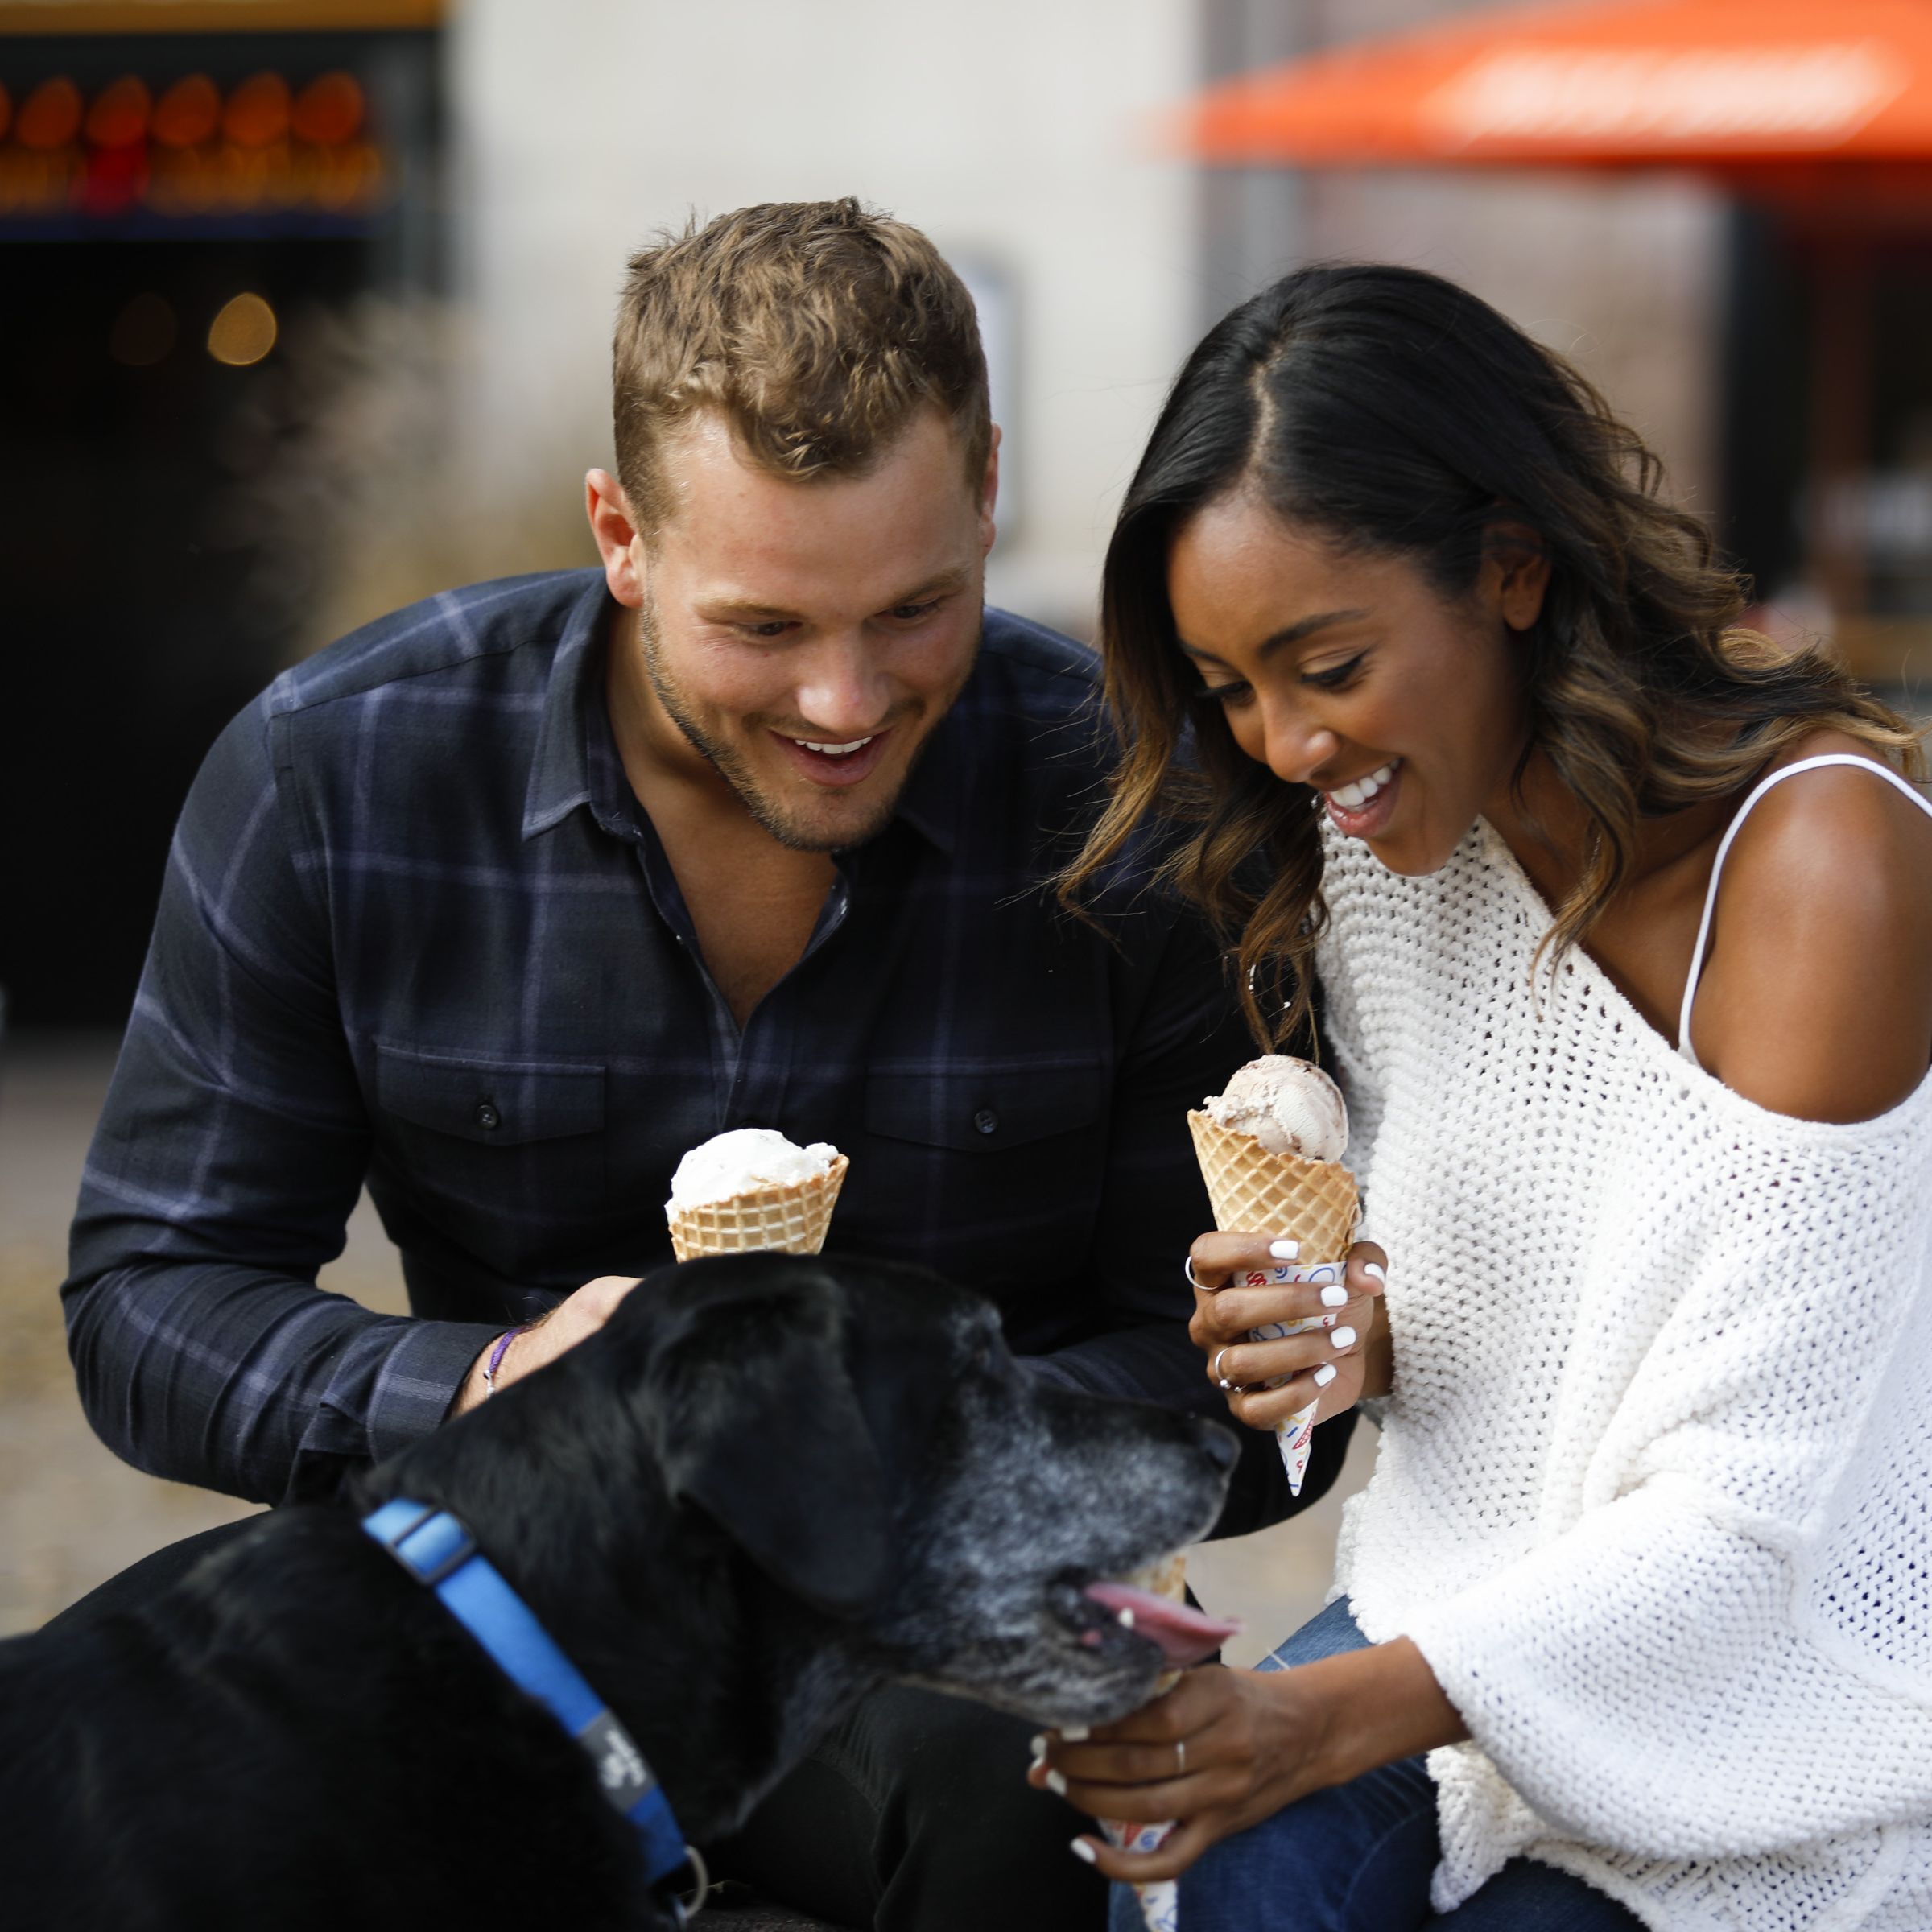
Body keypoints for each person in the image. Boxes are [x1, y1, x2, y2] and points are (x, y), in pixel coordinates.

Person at [59, 202, 1375, 1932]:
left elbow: (1245, 1397)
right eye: (764, 627)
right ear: (621, 537)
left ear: (988, 496)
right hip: (494, 1611)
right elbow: (148, 1303)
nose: (844, 700)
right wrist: (496, 1379)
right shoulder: (339, 776)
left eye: (915, 609)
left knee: (1019, 1783)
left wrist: (918, 1470)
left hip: (931, 1657)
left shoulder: (1137, 813)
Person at [1038, 262, 1932, 1931]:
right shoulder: (1382, 851)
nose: (1284, 744)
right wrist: (1352, 1338)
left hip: (1790, 1701)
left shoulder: (1823, 863)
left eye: (1327, 664)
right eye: (1231, 688)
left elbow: (1743, 1525)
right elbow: (1528, 1324)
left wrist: (1302, 1726)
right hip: (1457, 1608)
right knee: (1210, 1883)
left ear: (1514, 568)